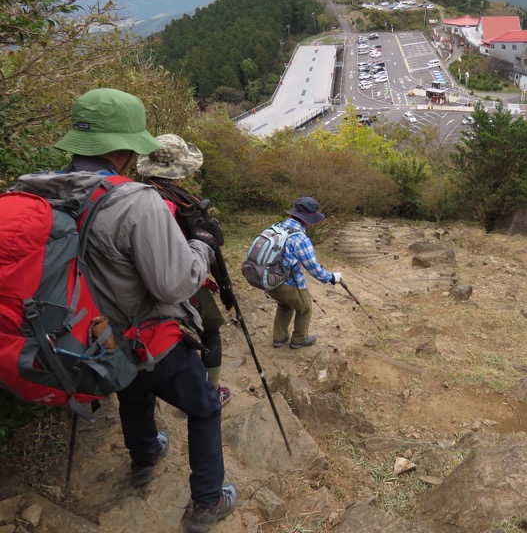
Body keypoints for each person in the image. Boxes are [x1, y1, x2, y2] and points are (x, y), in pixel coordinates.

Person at [13, 88, 236, 533]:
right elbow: (173, 281)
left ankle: (146, 458)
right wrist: (202, 245)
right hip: (147, 336)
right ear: (126, 147)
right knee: (205, 408)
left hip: (89, 338)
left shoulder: (40, 190)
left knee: (134, 392)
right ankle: (208, 503)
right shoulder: (136, 201)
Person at [136, 134, 233, 407]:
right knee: (211, 329)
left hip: (139, 283)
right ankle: (212, 390)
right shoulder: (168, 201)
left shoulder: (139, 192)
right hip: (179, 279)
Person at [267, 196, 342, 349]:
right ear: (308, 219)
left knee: (285, 304)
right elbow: (313, 269)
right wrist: (331, 277)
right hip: (288, 283)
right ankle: (299, 340)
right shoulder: (300, 239)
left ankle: (279, 337)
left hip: (268, 279)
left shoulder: (277, 227)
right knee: (305, 308)